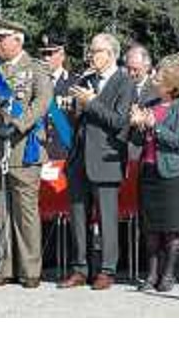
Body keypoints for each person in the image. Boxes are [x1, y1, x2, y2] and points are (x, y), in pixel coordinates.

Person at [0, 19, 53, 289]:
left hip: (22, 147)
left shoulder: (35, 68)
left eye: (3, 38)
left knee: (26, 211)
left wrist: (17, 124)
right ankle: (4, 266)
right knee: (0, 209)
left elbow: (42, 101)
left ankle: (29, 270)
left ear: (18, 40)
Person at [59, 32, 135, 290]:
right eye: (90, 51)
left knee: (107, 218)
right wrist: (73, 109)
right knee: (78, 216)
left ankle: (107, 269)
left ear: (111, 54)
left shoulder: (124, 82)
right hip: (79, 157)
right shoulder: (86, 79)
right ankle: (80, 268)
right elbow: (78, 121)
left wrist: (91, 102)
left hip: (106, 158)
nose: (90, 55)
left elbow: (119, 122)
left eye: (96, 51)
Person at [129, 57, 179, 291]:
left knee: (171, 228)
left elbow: (178, 139)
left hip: (174, 174)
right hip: (148, 171)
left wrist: (154, 125)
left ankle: (168, 274)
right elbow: (137, 140)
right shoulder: (149, 102)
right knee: (151, 228)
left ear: (171, 83)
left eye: (158, 77)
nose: (154, 79)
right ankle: (152, 274)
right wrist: (137, 124)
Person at [39, 33, 77, 161]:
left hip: (64, 152)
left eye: (50, 54)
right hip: (38, 152)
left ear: (62, 55)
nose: (45, 58)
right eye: (43, 54)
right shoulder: (34, 83)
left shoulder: (75, 83)